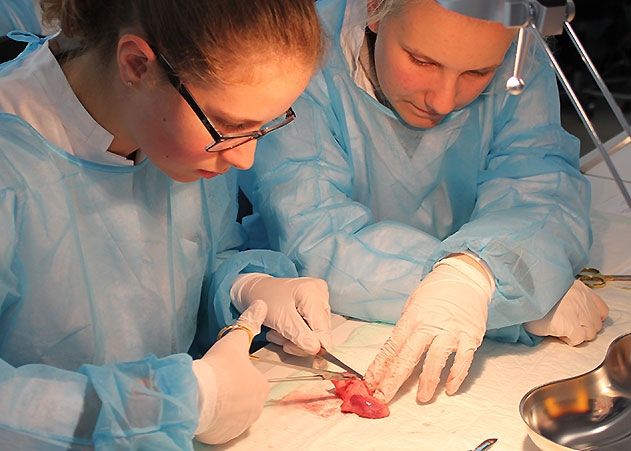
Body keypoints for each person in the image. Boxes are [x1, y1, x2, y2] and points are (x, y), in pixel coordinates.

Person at [239, 0, 609, 406]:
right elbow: (317, 237)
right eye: (421, 61)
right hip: (328, 323)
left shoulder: (514, 45)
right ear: (375, 8)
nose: (444, 101)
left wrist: (479, 272)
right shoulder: (301, 51)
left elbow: (539, 185)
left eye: (478, 73)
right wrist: (512, 296)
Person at [0, 0, 330, 448]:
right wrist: (172, 403)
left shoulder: (175, 139)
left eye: (261, 128)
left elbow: (201, 256)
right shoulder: (12, 164)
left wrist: (245, 287)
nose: (244, 158)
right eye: (229, 125)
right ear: (137, 65)